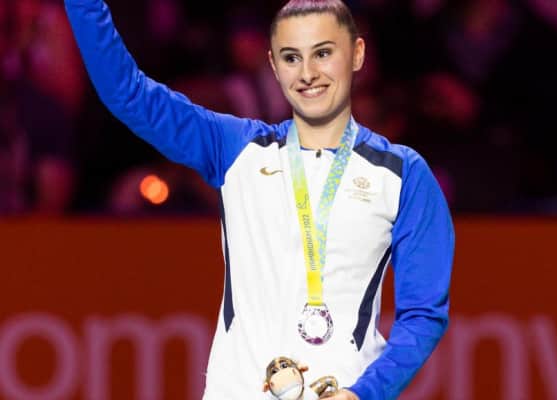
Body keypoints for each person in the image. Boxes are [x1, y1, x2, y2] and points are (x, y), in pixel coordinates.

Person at [64, 0, 454, 398]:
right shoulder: (236, 149)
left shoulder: (402, 174)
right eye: (291, 57)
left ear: (357, 54)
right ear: (273, 65)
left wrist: (364, 393)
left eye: (323, 53)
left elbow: (423, 315)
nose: (307, 73)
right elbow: (127, 93)